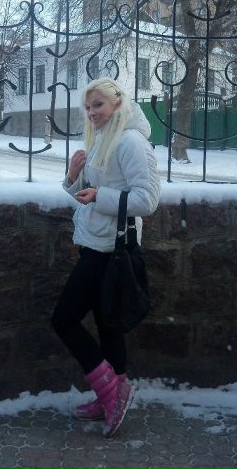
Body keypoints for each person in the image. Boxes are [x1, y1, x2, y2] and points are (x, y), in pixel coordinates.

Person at [51, 77, 160, 438]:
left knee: (64, 319)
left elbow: (147, 200)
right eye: (88, 107)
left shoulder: (130, 142)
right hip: (96, 242)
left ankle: (112, 392)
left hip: (110, 248)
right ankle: (110, 394)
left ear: (117, 103)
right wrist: (72, 178)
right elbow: (89, 192)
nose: (92, 113)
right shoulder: (102, 138)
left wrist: (99, 195)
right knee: (107, 324)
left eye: (98, 105)